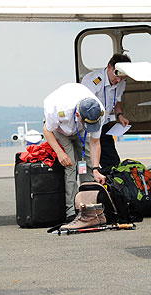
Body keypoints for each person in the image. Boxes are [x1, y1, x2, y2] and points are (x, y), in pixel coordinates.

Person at [43, 83, 106, 220]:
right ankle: (71, 210)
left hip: (80, 131)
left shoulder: (98, 111)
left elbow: (95, 142)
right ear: (78, 114)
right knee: (70, 167)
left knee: (88, 165)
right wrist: (60, 153)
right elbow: (47, 130)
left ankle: (89, 205)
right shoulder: (57, 109)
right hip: (60, 130)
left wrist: (96, 168)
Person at [81, 53, 131, 172]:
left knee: (113, 162)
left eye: (122, 78)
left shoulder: (120, 83)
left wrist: (120, 116)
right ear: (109, 67)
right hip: (90, 125)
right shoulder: (93, 80)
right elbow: (84, 104)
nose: (118, 80)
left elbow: (117, 101)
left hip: (104, 124)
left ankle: (112, 186)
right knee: (91, 162)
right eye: (117, 76)